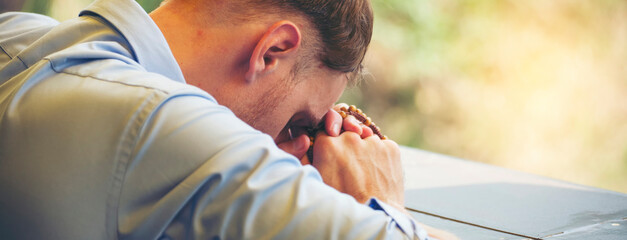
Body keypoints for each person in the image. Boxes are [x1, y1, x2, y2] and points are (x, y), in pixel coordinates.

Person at [0, 0, 449, 239]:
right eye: (296, 124)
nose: (290, 150)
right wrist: (382, 204)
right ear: (271, 51)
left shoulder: (18, 32)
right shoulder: (164, 125)